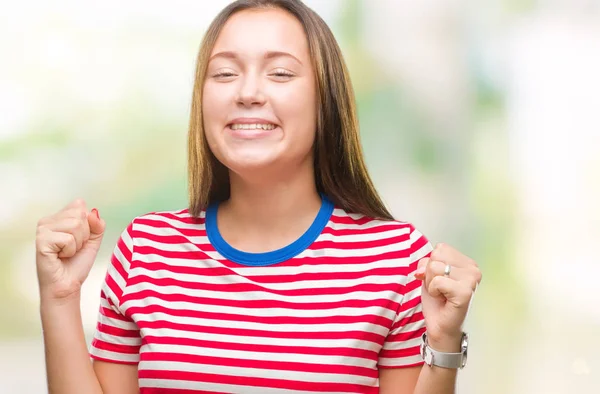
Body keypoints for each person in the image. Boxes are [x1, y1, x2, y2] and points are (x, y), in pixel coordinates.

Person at [35, 0, 482, 393]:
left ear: (325, 100)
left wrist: (442, 344)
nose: (247, 93)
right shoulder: (147, 249)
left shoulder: (395, 258)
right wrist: (59, 296)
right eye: (225, 73)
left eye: (280, 73)